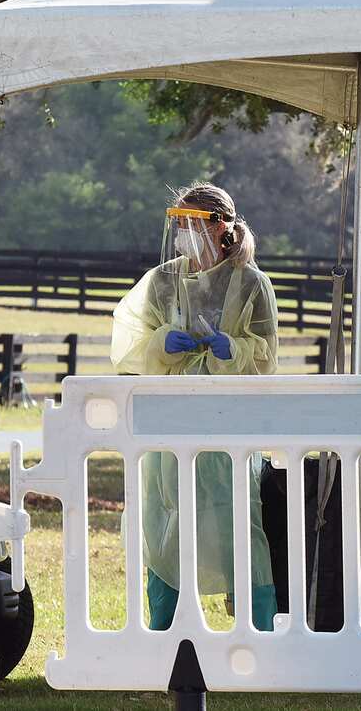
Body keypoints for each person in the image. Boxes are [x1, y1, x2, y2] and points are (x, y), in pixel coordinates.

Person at [110, 182, 279, 632]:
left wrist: (234, 350)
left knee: (239, 524)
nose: (184, 233)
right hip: (170, 420)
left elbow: (266, 354)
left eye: (192, 224)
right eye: (178, 224)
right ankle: (164, 627)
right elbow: (129, 343)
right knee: (167, 520)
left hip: (228, 426)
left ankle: (256, 628)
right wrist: (163, 344)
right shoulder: (163, 280)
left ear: (220, 227)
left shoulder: (251, 284)